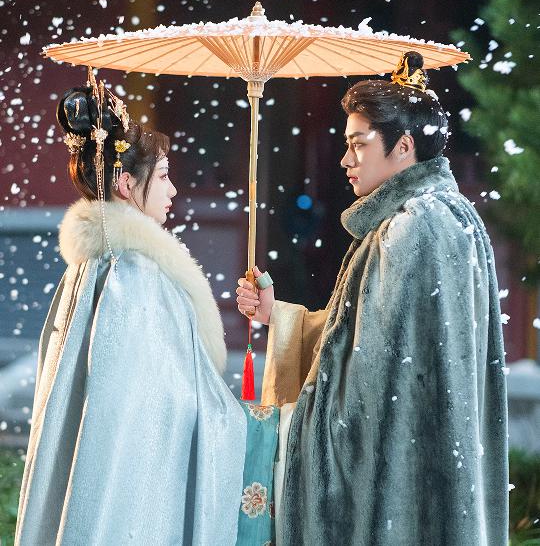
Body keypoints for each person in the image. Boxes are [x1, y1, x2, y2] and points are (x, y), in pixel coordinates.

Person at [236, 51, 508, 546]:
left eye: (358, 145)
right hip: (426, 473)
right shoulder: (442, 215)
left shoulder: (415, 227)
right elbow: (363, 341)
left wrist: (297, 431)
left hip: (401, 482)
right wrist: (279, 315)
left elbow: (374, 380)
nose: (346, 160)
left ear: (403, 146)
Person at [15, 71, 246, 546]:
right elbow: (161, 405)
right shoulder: (134, 274)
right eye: (162, 176)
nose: (173, 191)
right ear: (125, 183)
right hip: (141, 482)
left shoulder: (93, 265)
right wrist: (240, 420)